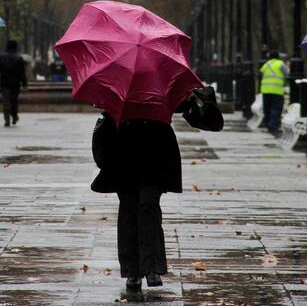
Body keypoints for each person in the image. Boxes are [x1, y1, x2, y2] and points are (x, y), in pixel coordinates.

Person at [91, 86, 223, 291]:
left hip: (156, 154)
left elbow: (209, 121)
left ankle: (151, 268)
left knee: (148, 207)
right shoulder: (118, 83)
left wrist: (193, 97)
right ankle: (132, 271)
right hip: (123, 153)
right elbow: (102, 106)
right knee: (128, 210)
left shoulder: (164, 81)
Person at [0, 40, 27, 127]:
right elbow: (22, 73)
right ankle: (14, 116)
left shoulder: (1, 57)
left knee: (6, 101)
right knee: (14, 100)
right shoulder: (19, 58)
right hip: (15, 84)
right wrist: (24, 84)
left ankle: (7, 119)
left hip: (5, 83)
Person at [259, 50, 287, 134]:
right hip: (277, 90)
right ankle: (273, 126)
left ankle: (268, 124)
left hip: (265, 90)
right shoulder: (280, 63)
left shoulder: (266, 64)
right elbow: (287, 73)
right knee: (276, 109)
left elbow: (261, 72)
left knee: (267, 109)